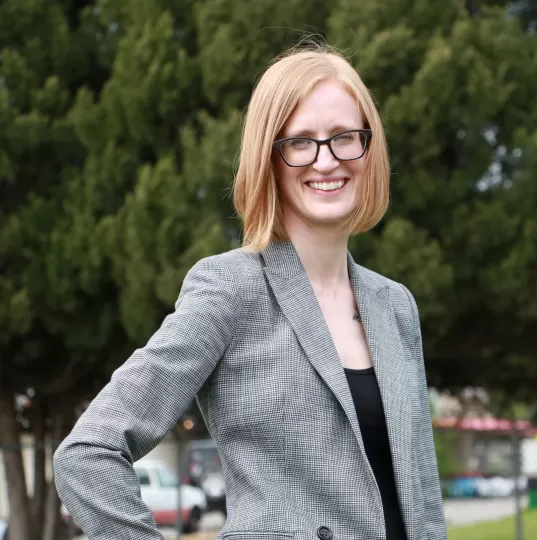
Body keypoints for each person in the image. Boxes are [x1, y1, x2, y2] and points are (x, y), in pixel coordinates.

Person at [54, 44, 448, 540]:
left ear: (369, 149)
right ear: (269, 157)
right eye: (300, 142)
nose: (326, 160)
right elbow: (88, 453)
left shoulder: (395, 305)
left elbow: (421, 504)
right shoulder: (231, 289)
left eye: (345, 137)